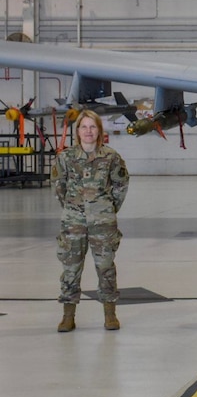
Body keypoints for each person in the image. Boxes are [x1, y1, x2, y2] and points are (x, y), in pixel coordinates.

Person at [51, 110, 130, 333]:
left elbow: (120, 186)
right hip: (73, 221)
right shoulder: (66, 158)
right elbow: (59, 186)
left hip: (103, 222)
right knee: (70, 267)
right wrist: (72, 209)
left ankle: (110, 313)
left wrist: (107, 209)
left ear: (99, 131)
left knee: (105, 267)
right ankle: (68, 315)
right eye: (84, 127)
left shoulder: (111, 157)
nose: (88, 131)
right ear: (77, 131)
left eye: (92, 127)